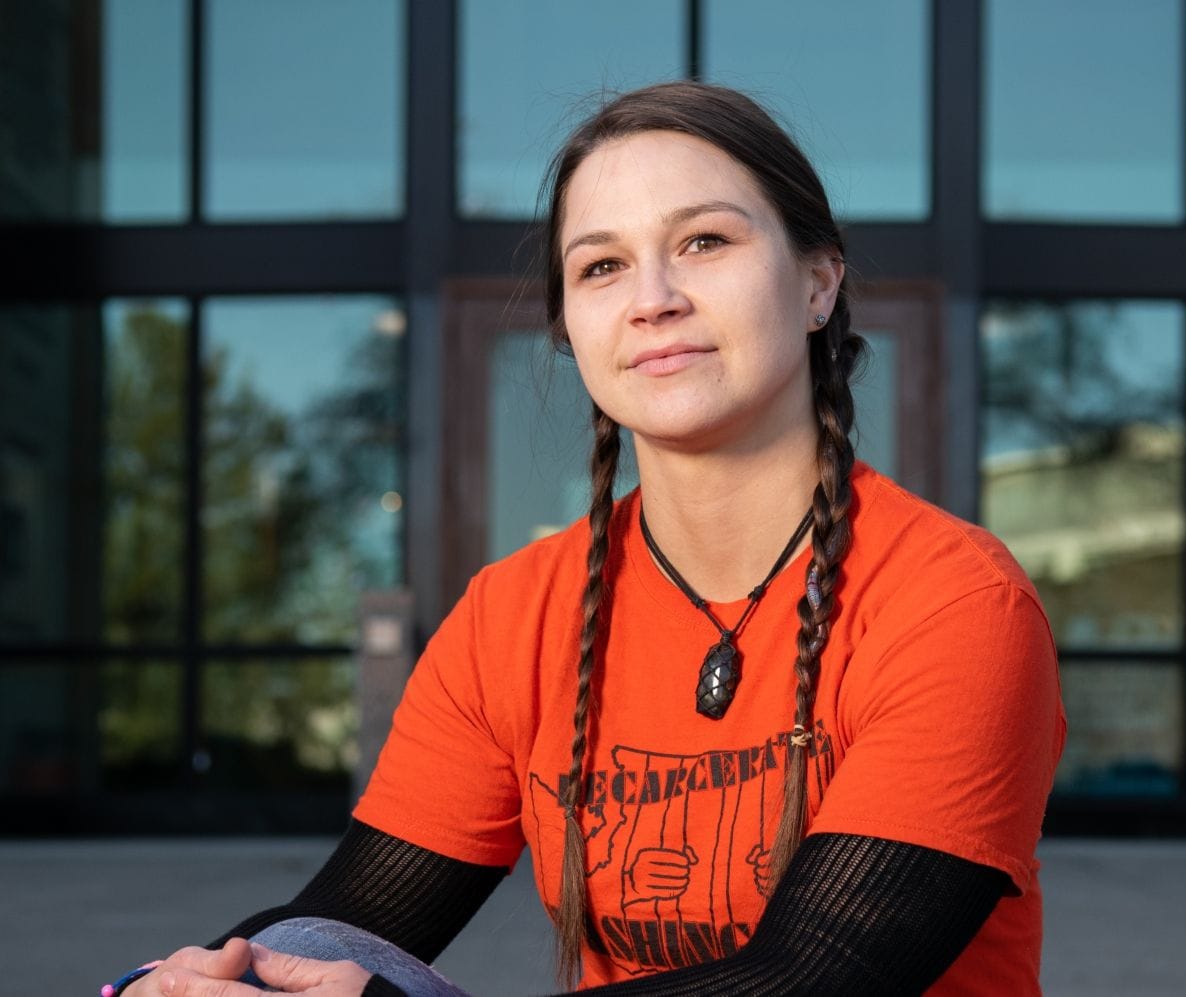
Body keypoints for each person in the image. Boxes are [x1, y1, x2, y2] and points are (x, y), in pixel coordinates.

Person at [109, 81, 1065, 997]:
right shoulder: (515, 613)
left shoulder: (953, 603)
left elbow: (816, 974)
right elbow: (353, 923)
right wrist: (201, 974)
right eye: (602, 264)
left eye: (703, 241)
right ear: (571, 325)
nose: (653, 297)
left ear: (818, 283)